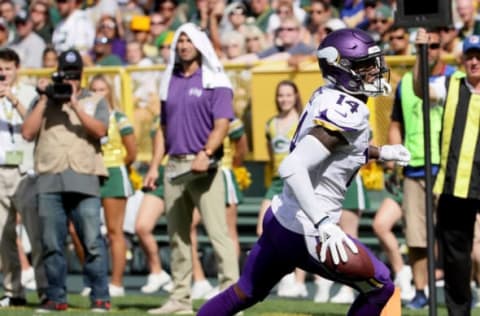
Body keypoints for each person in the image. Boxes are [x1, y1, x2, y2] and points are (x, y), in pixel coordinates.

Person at [197, 27, 411, 316]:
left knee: (244, 292)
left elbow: (334, 148)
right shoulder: (348, 110)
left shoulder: (327, 94)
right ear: (342, 68)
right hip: (308, 230)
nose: (374, 72)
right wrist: (323, 223)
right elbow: (294, 166)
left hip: (281, 217)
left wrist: (380, 151)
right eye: (364, 66)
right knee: (382, 288)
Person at [144, 22, 239, 315]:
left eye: (188, 40)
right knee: (177, 236)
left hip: (205, 167)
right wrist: (153, 166)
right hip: (173, 165)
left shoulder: (216, 80)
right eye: (179, 41)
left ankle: (232, 298)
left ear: (199, 44)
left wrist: (206, 152)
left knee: (218, 234)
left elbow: (222, 123)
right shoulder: (168, 80)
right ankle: (180, 298)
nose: (183, 45)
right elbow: (162, 128)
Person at [22, 48, 110, 312]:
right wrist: (43, 99)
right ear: (57, 73)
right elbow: (27, 132)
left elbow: (100, 131)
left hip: (85, 178)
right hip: (50, 178)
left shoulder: (95, 100)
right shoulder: (44, 100)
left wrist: (75, 105)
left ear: (82, 76)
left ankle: (100, 297)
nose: (70, 80)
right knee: (51, 244)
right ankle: (56, 298)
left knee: (93, 242)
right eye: (65, 74)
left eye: (74, 75)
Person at [413, 28, 480, 316]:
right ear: (463, 59)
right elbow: (420, 89)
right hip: (455, 186)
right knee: (455, 260)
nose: (475, 62)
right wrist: (419, 53)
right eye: (470, 57)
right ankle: (458, 312)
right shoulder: (451, 84)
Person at [392, 27, 457, 310]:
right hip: (414, 168)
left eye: (432, 47)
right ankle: (421, 291)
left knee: (457, 237)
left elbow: (425, 90)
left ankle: (466, 287)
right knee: (417, 239)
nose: (428, 52)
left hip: (447, 168)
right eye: (423, 47)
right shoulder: (405, 82)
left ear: (441, 49)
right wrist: (397, 157)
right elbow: (396, 122)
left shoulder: (455, 79)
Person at [0, 48, 47, 308]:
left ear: (17, 67)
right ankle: (13, 291)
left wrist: (13, 99)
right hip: (0, 169)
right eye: (0, 69)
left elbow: (34, 127)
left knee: (35, 234)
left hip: (25, 170)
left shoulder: (29, 93)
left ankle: (44, 290)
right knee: (3, 237)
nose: (3, 73)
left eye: (7, 68)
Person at [190, 117, 249, 300]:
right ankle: (199, 280)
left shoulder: (233, 121)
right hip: (200, 175)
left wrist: (231, 166)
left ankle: (229, 283)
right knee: (189, 225)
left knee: (227, 231)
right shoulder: (199, 113)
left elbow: (242, 150)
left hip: (222, 173)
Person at [90, 74, 137, 297]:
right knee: (79, 230)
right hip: (88, 174)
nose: (98, 94)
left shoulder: (118, 118)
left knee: (113, 231)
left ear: (110, 92)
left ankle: (116, 283)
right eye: (94, 90)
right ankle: (92, 279)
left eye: (103, 89)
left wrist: (114, 166)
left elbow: (132, 152)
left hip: (113, 173)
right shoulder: (85, 116)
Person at [135, 115, 173, 294]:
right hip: (160, 173)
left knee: (186, 232)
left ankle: (196, 280)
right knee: (142, 226)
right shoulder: (159, 117)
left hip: (185, 171)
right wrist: (154, 167)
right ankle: (157, 272)